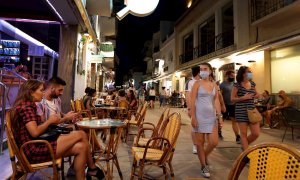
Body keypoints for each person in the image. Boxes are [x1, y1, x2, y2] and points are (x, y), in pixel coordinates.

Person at [10, 80, 104, 179]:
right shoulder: (26, 107)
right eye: (41, 90)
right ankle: (92, 168)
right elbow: (34, 132)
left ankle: (89, 171)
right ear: (30, 92)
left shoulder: (27, 105)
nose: (43, 92)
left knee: (82, 146)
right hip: (33, 150)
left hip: (36, 145)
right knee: (81, 134)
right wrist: (49, 121)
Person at [190, 62, 223, 178]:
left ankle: (203, 156)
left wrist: (220, 117)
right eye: (201, 69)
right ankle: (203, 165)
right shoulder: (197, 84)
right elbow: (192, 100)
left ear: (210, 71)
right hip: (199, 117)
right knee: (200, 144)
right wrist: (193, 117)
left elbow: (216, 101)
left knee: (214, 142)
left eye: (205, 69)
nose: (202, 71)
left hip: (211, 118)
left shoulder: (214, 85)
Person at [231, 66, 260, 151]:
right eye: (249, 71)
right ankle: (246, 155)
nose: (251, 73)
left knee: (256, 133)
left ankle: (244, 146)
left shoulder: (253, 83)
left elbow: (256, 93)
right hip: (241, 111)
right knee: (243, 134)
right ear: (243, 74)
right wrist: (243, 98)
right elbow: (232, 99)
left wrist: (258, 95)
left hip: (252, 110)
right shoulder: (237, 85)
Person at [220, 70, 240, 143]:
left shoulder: (235, 84)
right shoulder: (222, 85)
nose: (232, 77)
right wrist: (221, 105)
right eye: (231, 76)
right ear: (227, 76)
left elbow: (237, 94)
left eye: (233, 76)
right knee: (222, 120)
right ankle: (219, 132)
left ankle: (237, 136)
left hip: (233, 105)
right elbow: (220, 95)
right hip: (225, 104)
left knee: (234, 120)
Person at [185, 65, 201, 154]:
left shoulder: (203, 82)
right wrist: (190, 108)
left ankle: (200, 144)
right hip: (194, 108)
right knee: (195, 127)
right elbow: (188, 96)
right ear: (198, 72)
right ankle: (195, 145)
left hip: (203, 109)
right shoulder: (190, 82)